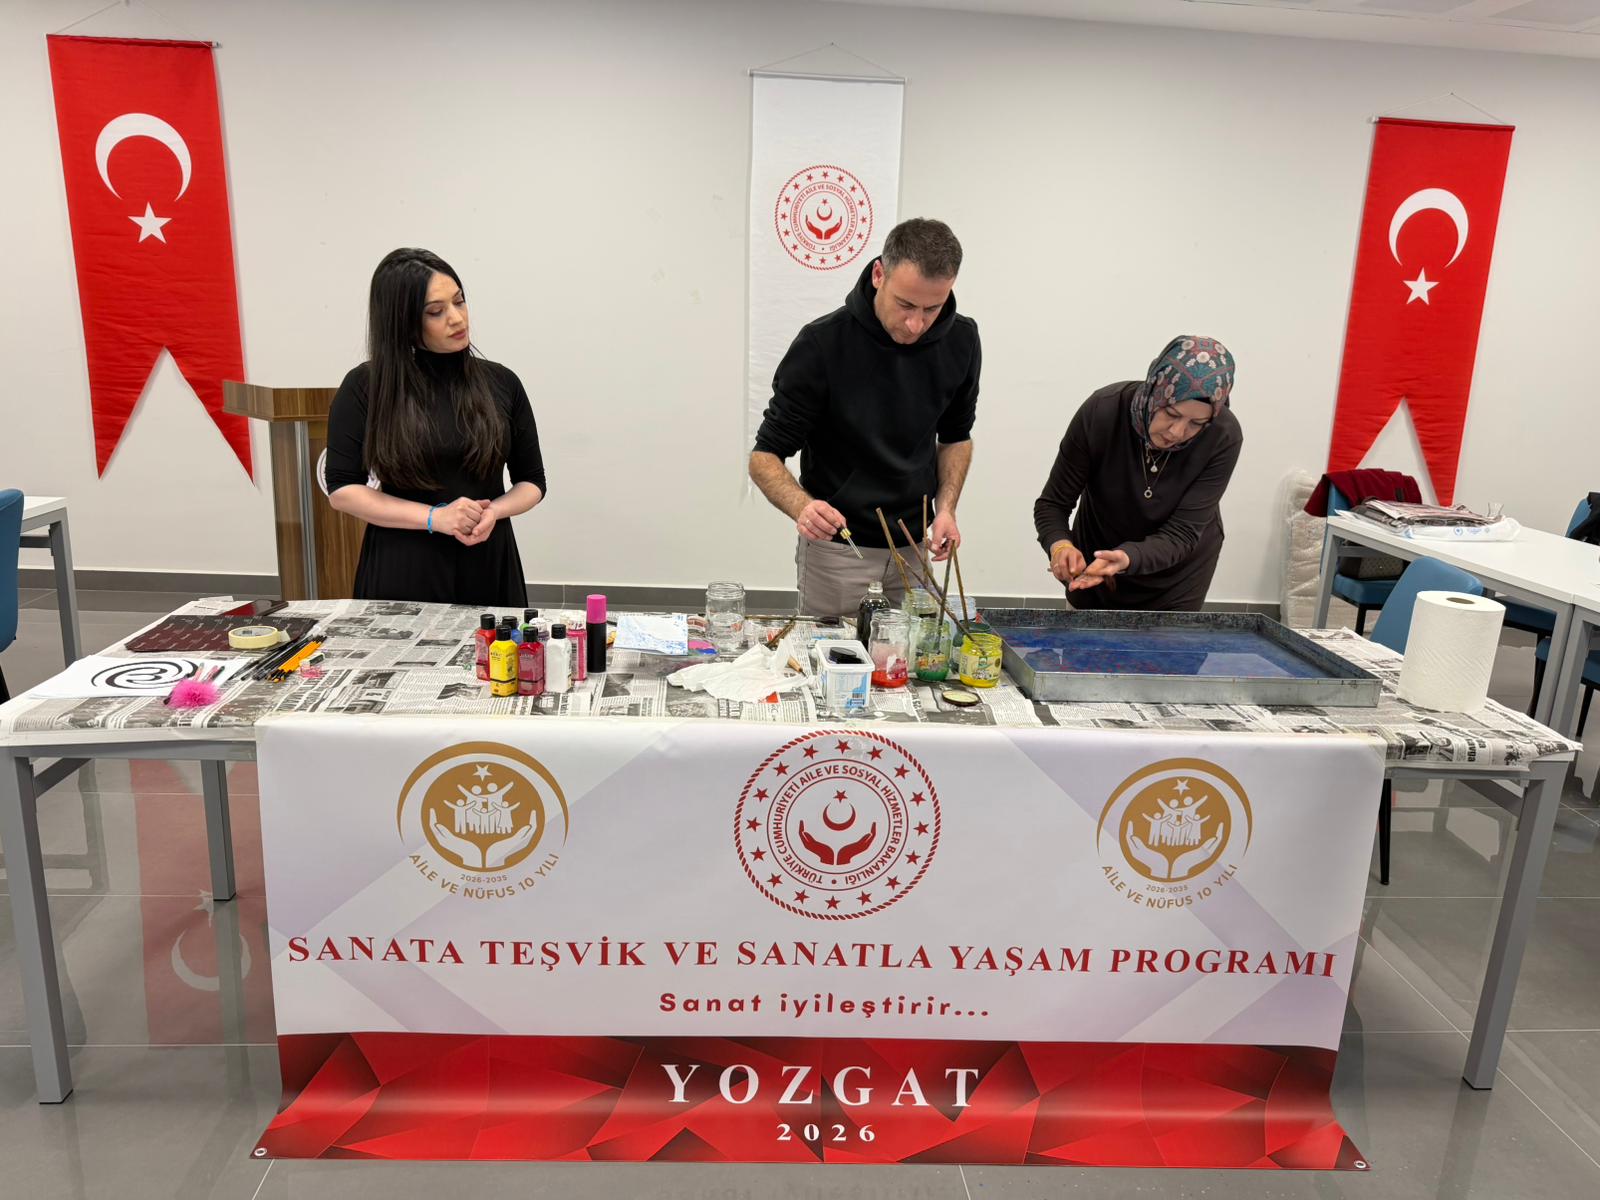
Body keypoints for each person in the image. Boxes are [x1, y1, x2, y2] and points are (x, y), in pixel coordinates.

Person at [749, 218, 981, 617]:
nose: (916, 324)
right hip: (840, 550)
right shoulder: (822, 344)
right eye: (905, 304)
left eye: (932, 308)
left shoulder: (962, 339)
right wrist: (803, 507)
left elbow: (956, 437)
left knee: (910, 654)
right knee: (830, 653)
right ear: (878, 275)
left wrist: (946, 509)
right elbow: (764, 457)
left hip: (914, 546)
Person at [325, 248, 546, 606]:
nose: (457, 319)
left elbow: (532, 481)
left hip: (487, 557)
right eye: (435, 311)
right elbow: (343, 489)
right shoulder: (366, 387)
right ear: (402, 321)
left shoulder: (501, 382)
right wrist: (435, 518)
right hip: (404, 563)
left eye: (459, 301)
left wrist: (494, 511)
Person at [1033, 336, 1242, 611]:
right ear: (1155, 390)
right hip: (1097, 559)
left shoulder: (1222, 436)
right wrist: (1060, 546)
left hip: (1176, 576)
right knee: (1085, 637)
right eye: (1171, 413)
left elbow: (1181, 533)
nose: (1177, 432)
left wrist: (1126, 557)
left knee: (1169, 640)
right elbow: (1053, 504)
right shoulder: (1103, 411)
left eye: (1197, 423)